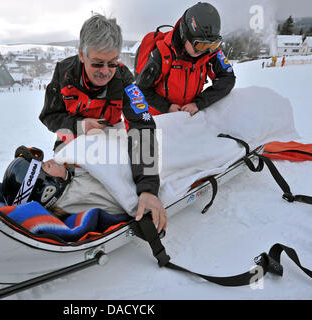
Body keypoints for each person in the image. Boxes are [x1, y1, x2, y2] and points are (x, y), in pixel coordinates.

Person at [39, 14, 166, 232]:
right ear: (81, 54)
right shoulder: (63, 73)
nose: (105, 71)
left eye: (112, 63)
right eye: (97, 63)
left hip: (109, 140)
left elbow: (143, 126)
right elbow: (49, 116)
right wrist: (81, 125)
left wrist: (148, 189)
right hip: (71, 142)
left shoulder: (125, 80)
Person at [136, 2, 235, 116]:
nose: (204, 51)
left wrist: (199, 103)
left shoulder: (209, 51)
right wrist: (167, 107)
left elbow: (228, 78)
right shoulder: (162, 54)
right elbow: (142, 89)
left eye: (213, 45)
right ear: (184, 36)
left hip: (188, 117)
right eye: (200, 45)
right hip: (161, 119)